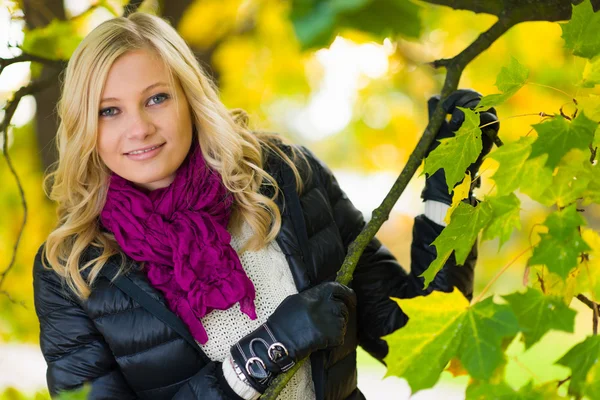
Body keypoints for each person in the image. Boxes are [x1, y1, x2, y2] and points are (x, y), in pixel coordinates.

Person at [32, 11, 498, 400]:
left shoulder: (285, 178)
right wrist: (263, 352)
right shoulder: (72, 268)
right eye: (109, 110)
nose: (139, 128)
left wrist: (448, 184)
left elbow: (420, 344)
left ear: (189, 98)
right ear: (83, 125)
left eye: (156, 99)